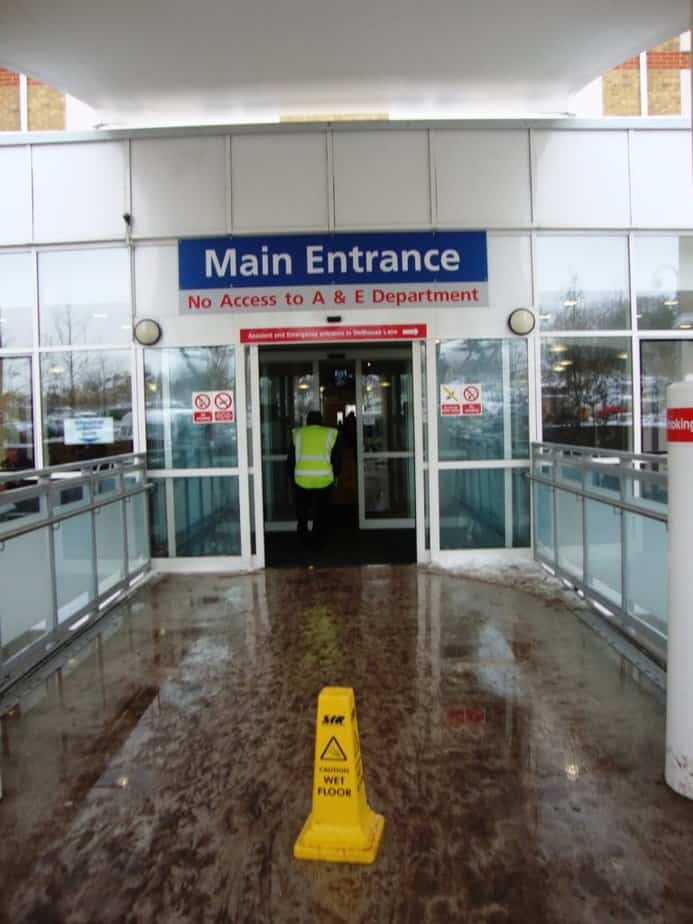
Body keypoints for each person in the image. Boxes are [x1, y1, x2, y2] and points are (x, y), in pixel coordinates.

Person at [287, 409, 342, 548]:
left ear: (307, 421)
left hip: (301, 480)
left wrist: (291, 478)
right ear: (321, 421)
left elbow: (291, 460)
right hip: (324, 480)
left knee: (302, 513)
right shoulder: (330, 434)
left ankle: (303, 540)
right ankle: (319, 542)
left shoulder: (298, 434)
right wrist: (336, 476)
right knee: (321, 513)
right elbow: (337, 459)